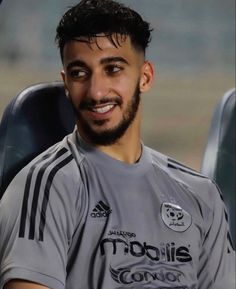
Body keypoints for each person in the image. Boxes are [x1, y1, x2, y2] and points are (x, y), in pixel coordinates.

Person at [0, 0, 235, 288]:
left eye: (113, 69)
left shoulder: (202, 195)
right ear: (66, 83)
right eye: (79, 73)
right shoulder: (46, 186)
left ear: (145, 77)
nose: (96, 92)